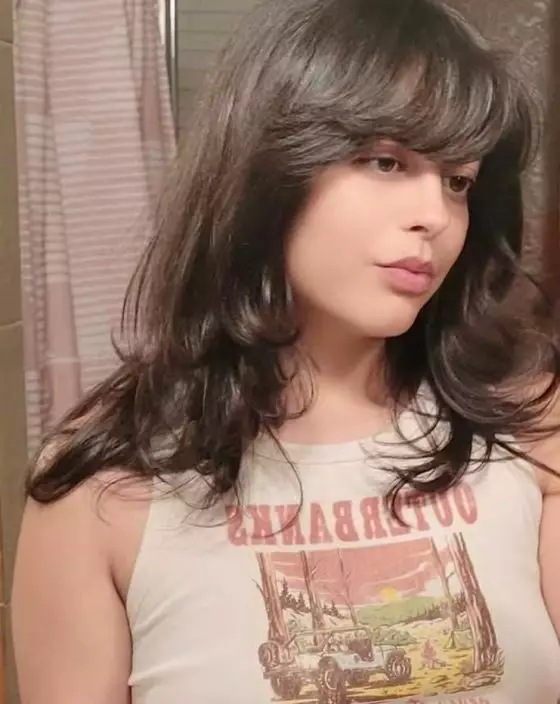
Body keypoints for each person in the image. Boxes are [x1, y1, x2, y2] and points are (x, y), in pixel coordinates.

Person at [11, 0, 560, 702]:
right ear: (266, 170)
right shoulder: (101, 487)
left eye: (459, 181)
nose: (435, 216)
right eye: (386, 161)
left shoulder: (532, 430)